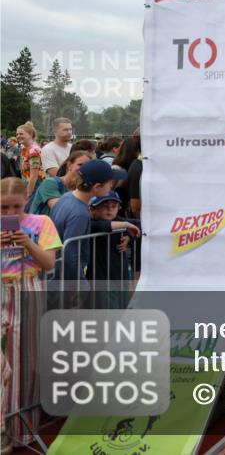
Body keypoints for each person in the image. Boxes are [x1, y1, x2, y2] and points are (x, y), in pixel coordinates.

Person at [1, 177, 62, 453]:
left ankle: (18, 433)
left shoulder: (41, 223)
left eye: (15, 206)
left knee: (25, 364)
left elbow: (49, 263)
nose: (10, 213)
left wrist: (26, 242)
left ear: (26, 199)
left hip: (29, 290)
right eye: (3, 208)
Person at [50, 159, 129, 292]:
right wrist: (82, 287)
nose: (111, 185)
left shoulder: (66, 197)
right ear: (97, 187)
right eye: (109, 182)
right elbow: (71, 254)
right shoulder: (79, 213)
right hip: (65, 283)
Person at [29, 150, 91, 217]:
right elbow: (61, 210)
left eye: (87, 166)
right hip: (39, 226)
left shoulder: (83, 187)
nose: (84, 168)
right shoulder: (50, 183)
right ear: (69, 165)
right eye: (80, 165)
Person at [15, 123, 43, 204]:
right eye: (17, 134)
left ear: (30, 135)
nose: (18, 136)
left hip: (36, 186)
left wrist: (28, 195)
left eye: (21, 134)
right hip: (30, 184)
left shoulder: (34, 150)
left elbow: (34, 176)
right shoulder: (25, 149)